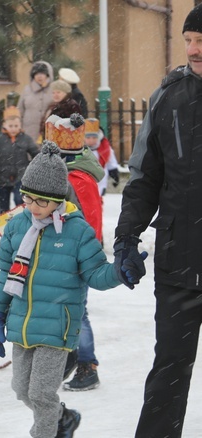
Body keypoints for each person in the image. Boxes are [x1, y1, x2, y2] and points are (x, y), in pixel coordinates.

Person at [0, 141, 131, 438]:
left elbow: (95, 274)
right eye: (28, 198)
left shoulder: (77, 231)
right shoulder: (16, 227)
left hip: (57, 326)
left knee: (40, 393)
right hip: (23, 321)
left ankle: (48, 433)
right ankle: (63, 418)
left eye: (41, 201)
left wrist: (119, 271)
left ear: (58, 200)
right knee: (21, 390)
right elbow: (5, 274)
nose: (32, 207)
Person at [116, 5, 202, 436]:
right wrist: (125, 238)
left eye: (201, 40)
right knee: (169, 369)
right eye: (188, 39)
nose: (192, 49)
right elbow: (145, 178)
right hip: (179, 257)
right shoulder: (169, 97)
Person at [44, 114, 106, 393]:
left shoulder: (75, 179)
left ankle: (87, 364)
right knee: (62, 309)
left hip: (73, 254)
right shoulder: (73, 175)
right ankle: (70, 357)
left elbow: (83, 222)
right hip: (65, 251)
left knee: (75, 311)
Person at [0, 106, 39, 213]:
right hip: (2, 177)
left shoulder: (26, 139)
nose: (13, 128)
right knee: (3, 205)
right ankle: (5, 226)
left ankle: (22, 219)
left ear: (20, 126)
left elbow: (35, 153)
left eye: (16, 126)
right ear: (4, 125)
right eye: (10, 126)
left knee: (19, 199)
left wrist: (37, 165)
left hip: (21, 176)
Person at [17, 60, 54, 142]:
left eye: (42, 73)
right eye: (36, 74)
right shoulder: (27, 90)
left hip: (49, 131)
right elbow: (20, 110)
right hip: (28, 131)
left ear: (48, 75)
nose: (39, 76)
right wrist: (19, 127)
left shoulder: (54, 90)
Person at [84, 118, 120, 196]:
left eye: (94, 138)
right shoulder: (81, 149)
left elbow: (111, 160)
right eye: (88, 138)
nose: (91, 140)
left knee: (98, 199)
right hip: (85, 180)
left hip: (100, 180)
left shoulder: (104, 148)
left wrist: (114, 173)